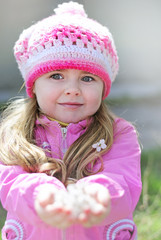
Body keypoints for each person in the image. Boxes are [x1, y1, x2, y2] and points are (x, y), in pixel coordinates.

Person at [0, 2, 142, 240]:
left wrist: (98, 194)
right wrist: (42, 196)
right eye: (57, 76)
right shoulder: (15, 134)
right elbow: (9, 183)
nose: (73, 90)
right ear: (33, 85)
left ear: (103, 87)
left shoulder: (119, 134)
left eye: (87, 78)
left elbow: (125, 182)